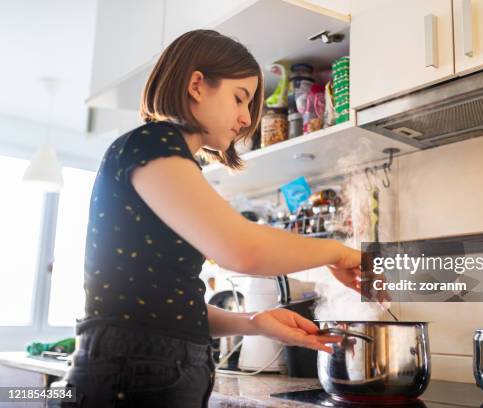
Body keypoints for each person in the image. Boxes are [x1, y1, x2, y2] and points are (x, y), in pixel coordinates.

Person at [60, 29, 362, 408]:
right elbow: (243, 249)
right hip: (134, 370)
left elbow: (165, 305)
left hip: (146, 366)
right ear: (197, 85)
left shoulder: (166, 159)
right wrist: (338, 253)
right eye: (240, 99)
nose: (244, 117)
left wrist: (253, 322)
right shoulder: (152, 142)